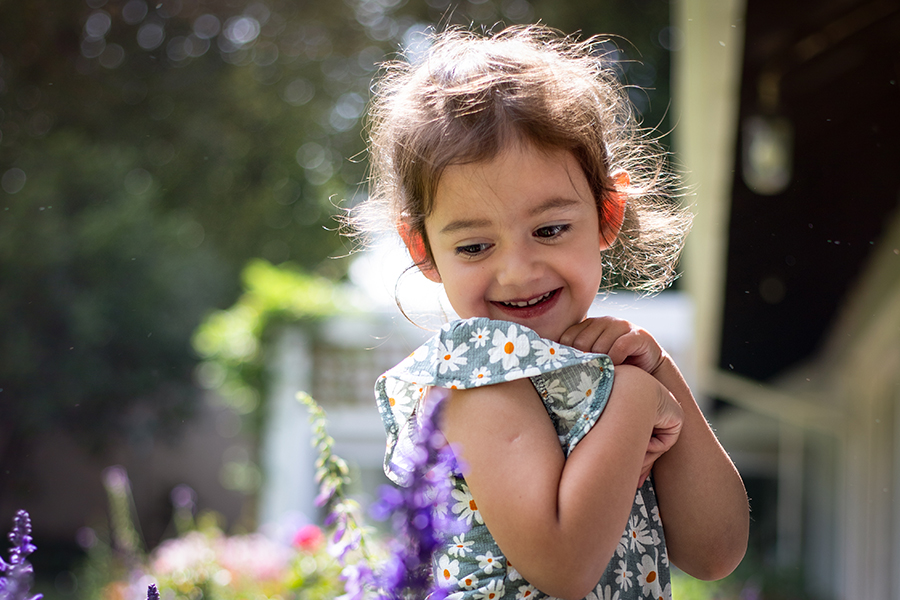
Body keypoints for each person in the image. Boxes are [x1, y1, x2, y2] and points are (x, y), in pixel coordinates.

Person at [350, 25, 749, 600]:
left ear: (608, 214)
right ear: (423, 251)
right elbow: (563, 567)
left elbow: (715, 551)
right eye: (474, 246)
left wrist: (658, 375)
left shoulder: (605, 369)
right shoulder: (478, 379)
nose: (517, 270)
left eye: (551, 229)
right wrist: (635, 400)